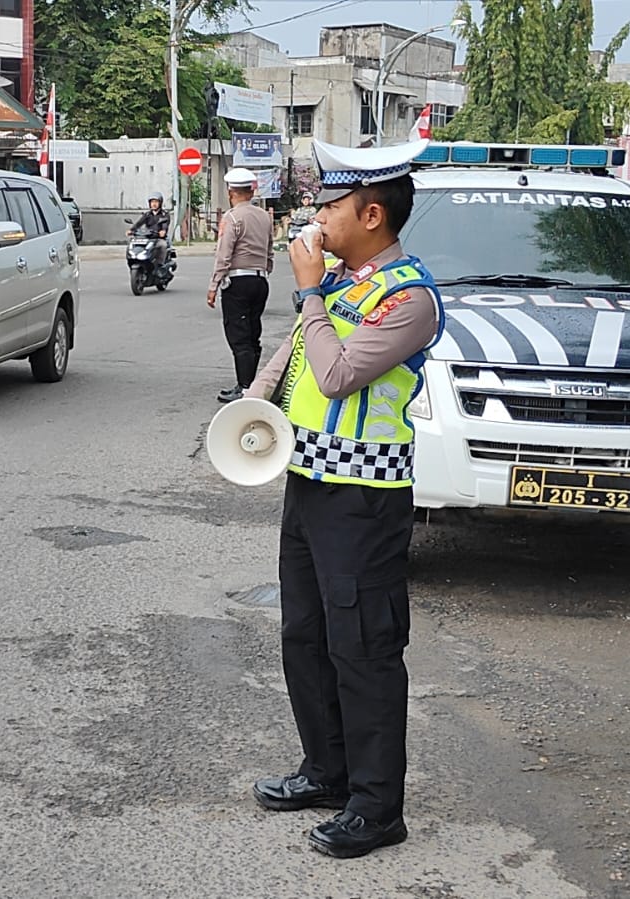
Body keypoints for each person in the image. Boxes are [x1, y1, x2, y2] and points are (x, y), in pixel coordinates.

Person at [243, 136, 445, 860]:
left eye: (326, 207)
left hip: (364, 497)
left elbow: (333, 375)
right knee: (305, 635)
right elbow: (296, 354)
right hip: (309, 481)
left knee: (363, 647)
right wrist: (250, 403)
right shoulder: (338, 282)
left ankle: (375, 806)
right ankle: (324, 771)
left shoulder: (408, 298)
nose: (314, 219)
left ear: (369, 214)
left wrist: (305, 291)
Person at [207, 167, 273, 403]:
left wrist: (214, 285)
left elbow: (224, 254)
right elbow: (269, 251)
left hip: (238, 281)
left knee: (239, 335)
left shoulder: (232, 218)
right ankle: (250, 383)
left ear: (231, 192)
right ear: (251, 191)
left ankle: (245, 387)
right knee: (253, 332)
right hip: (260, 280)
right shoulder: (265, 216)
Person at [135, 191, 172, 272]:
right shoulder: (147, 214)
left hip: (159, 238)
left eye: (156, 202)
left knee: (163, 245)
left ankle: (160, 265)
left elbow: (165, 224)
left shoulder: (164, 214)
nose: (154, 204)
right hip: (148, 237)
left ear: (160, 203)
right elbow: (139, 223)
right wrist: (132, 230)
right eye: (152, 202)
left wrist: (163, 231)